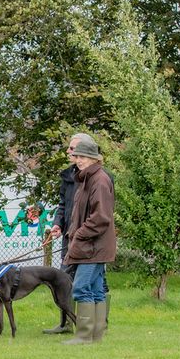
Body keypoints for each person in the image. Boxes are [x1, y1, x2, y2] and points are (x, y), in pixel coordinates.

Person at [50, 133, 115, 345]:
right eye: (77, 156)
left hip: (93, 246)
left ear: (95, 159)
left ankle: (84, 335)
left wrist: (78, 234)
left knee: (80, 288)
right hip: (90, 245)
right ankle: (96, 335)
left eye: (83, 157)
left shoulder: (99, 180)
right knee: (96, 289)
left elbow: (101, 217)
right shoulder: (85, 178)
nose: (78, 160)